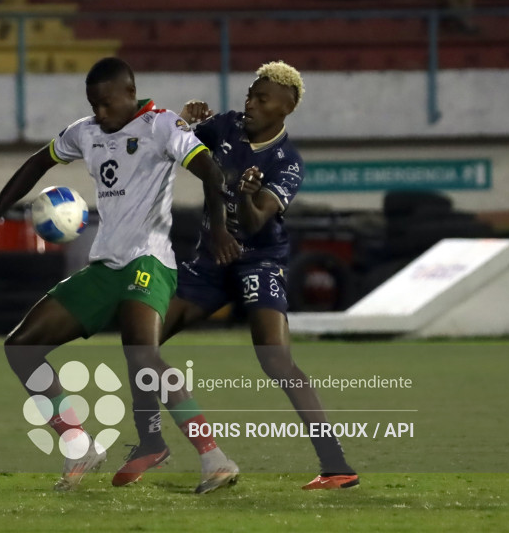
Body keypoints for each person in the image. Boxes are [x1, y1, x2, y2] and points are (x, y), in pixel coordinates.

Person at [0, 57, 242, 493]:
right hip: (105, 264)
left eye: (105, 103)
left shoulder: (160, 125)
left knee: (143, 356)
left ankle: (214, 458)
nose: (99, 113)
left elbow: (210, 169)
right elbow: (36, 164)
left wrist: (220, 229)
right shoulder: (86, 132)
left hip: (148, 261)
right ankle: (79, 446)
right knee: (21, 347)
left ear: (129, 94)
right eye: (92, 104)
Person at [112, 61, 360, 491]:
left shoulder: (287, 162)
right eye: (250, 93)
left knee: (275, 359)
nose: (250, 102)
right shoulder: (225, 126)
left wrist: (245, 197)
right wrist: (186, 122)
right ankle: (151, 443)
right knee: (140, 341)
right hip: (210, 262)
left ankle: (336, 465)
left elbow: (259, 220)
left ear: (284, 109)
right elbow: (178, 145)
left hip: (259, 260)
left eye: (262, 99)